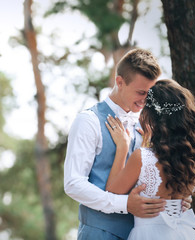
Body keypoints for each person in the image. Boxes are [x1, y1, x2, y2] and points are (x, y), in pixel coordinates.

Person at [64, 48, 172, 240]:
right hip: (99, 233)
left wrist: (177, 200)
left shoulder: (147, 126)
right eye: (140, 92)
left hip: (142, 233)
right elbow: (73, 183)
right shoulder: (89, 121)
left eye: (149, 93)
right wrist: (123, 204)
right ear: (119, 82)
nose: (145, 100)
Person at [105, 79, 195, 239]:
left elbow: (111, 193)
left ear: (150, 115)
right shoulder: (190, 160)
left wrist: (122, 148)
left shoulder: (142, 157)